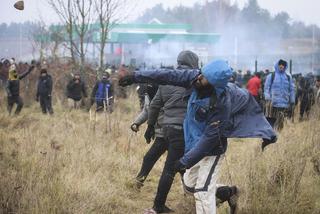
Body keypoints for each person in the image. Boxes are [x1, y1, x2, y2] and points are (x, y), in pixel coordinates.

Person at [119, 59, 276, 214]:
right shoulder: (194, 77)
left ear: (214, 83)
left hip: (212, 150)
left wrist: (185, 161)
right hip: (194, 145)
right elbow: (166, 75)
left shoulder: (221, 104)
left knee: (202, 191)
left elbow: (210, 139)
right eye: (201, 73)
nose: (199, 77)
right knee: (189, 185)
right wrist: (135, 76)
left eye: (204, 77)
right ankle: (228, 193)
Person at [131, 83, 163, 189]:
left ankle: (189, 190)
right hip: (160, 133)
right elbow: (146, 111)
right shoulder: (147, 94)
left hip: (170, 132)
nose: (149, 86)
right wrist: (136, 123)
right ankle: (138, 183)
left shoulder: (166, 92)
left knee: (179, 163)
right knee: (149, 158)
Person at [264, 59, 295, 130]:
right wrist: (268, 97)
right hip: (273, 103)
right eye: (280, 64)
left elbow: (291, 89)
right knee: (273, 119)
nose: (281, 66)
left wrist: (292, 100)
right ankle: (272, 133)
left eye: (283, 65)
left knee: (281, 120)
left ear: (285, 66)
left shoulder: (288, 77)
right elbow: (266, 88)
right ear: (277, 65)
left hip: (284, 103)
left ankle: (279, 133)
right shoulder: (271, 76)